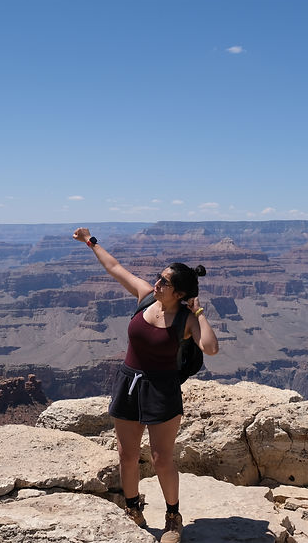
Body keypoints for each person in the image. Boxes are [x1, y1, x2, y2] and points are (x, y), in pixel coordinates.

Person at [73, 227, 219, 543]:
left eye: (164, 281)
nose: (157, 282)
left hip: (163, 389)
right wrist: (90, 241)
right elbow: (115, 268)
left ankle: (172, 517)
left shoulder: (185, 319)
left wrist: (199, 311)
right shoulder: (145, 297)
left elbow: (210, 347)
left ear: (179, 292)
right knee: (126, 456)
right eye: (158, 277)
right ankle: (133, 509)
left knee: (161, 458)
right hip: (129, 384)